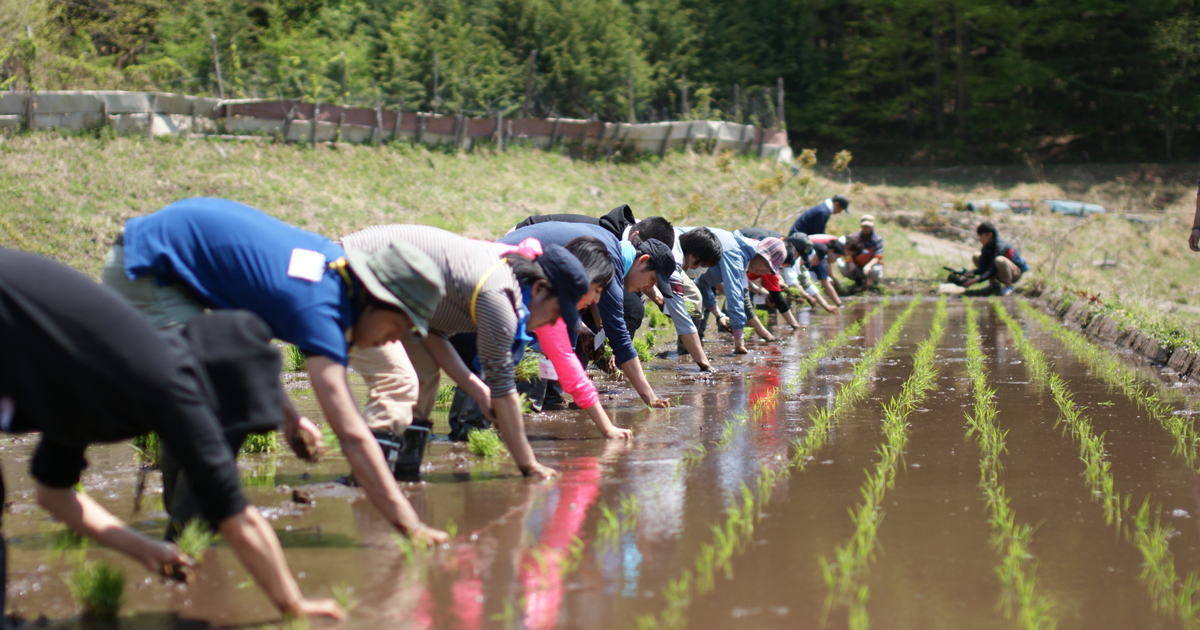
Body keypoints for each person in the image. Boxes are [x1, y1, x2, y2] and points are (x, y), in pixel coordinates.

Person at [0, 247, 343, 621]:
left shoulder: (114, 375)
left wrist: (143, 549)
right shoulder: (166, 386)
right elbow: (239, 519)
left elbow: (54, 496)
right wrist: (294, 605)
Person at [102, 197, 449, 544]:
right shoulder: (320, 307)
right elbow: (352, 435)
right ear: (377, 298)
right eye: (398, 324)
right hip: (146, 268)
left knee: (212, 390)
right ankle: (187, 537)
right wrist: (409, 525)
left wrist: (290, 419)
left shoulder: (333, 274)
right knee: (210, 400)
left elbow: (248, 351)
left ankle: (191, 526)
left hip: (168, 260)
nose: (393, 339)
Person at [337, 225, 598, 479]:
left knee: (425, 376)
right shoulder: (499, 298)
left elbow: (434, 335)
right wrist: (528, 463)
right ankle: (366, 480)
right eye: (556, 312)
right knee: (398, 382)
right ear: (539, 288)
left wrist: (476, 390)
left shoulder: (502, 282)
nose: (554, 323)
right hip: (353, 275)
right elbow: (503, 389)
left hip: (393, 297)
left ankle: (403, 473)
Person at [498, 221, 680, 407]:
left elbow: (569, 306)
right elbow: (621, 341)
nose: (649, 288)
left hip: (519, 265)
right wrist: (651, 398)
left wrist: (582, 330)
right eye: (652, 280)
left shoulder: (612, 246)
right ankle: (527, 413)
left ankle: (550, 400)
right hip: (507, 265)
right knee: (537, 344)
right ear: (642, 260)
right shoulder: (609, 263)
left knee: (565, 336)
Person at [692, 229, 788, 354]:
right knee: (691, 310)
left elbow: (702, 283)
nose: (765, 272)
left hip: (685, 274)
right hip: (672, 258)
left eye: (770, 271)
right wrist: (739, 342)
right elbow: (735, 296)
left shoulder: (742, 259)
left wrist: (718, 314)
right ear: (761, 254)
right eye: (768, 266)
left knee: (695, 311)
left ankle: (688, 355)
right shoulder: (735, 254)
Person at [738, 228, 803, 329]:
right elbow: (778, 299)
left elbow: (746, 282)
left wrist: (766, 292)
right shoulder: (766, 262)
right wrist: (795, 325)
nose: (776, 272)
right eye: (779, 268)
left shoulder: (766, 260)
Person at [962, 221, 1029, 296]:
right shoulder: (986, 247)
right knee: (976, 256)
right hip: (1000, 272)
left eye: (981, 235)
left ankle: (1009, 286)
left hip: (1015, 273)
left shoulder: (1000, 246)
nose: (979, 238)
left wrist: (975, 281)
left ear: (989, 235)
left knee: (999, 260)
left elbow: (992, 269)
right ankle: (994, 286)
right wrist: (971, 272)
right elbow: (983, 267)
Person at [782, 234, 839, 314]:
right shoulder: (790, 257)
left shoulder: (798, 259)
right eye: (817, 260)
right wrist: (807, 297)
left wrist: (825, 305)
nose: (816, 264)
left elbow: (806, 283)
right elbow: (792, 283)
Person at [837, 215, 884, 289]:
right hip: (856, 264)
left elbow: (877, 257)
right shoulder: (854, 237)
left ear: (872, 226)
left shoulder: (877, 239)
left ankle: (872, 283)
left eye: (868, 226)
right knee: (843, 268)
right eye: (864, 226)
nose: (866, 229)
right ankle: (858, 281)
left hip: (870, 266)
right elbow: (849, 252)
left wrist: (868, 266)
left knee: (875, 271)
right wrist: (851, 262)